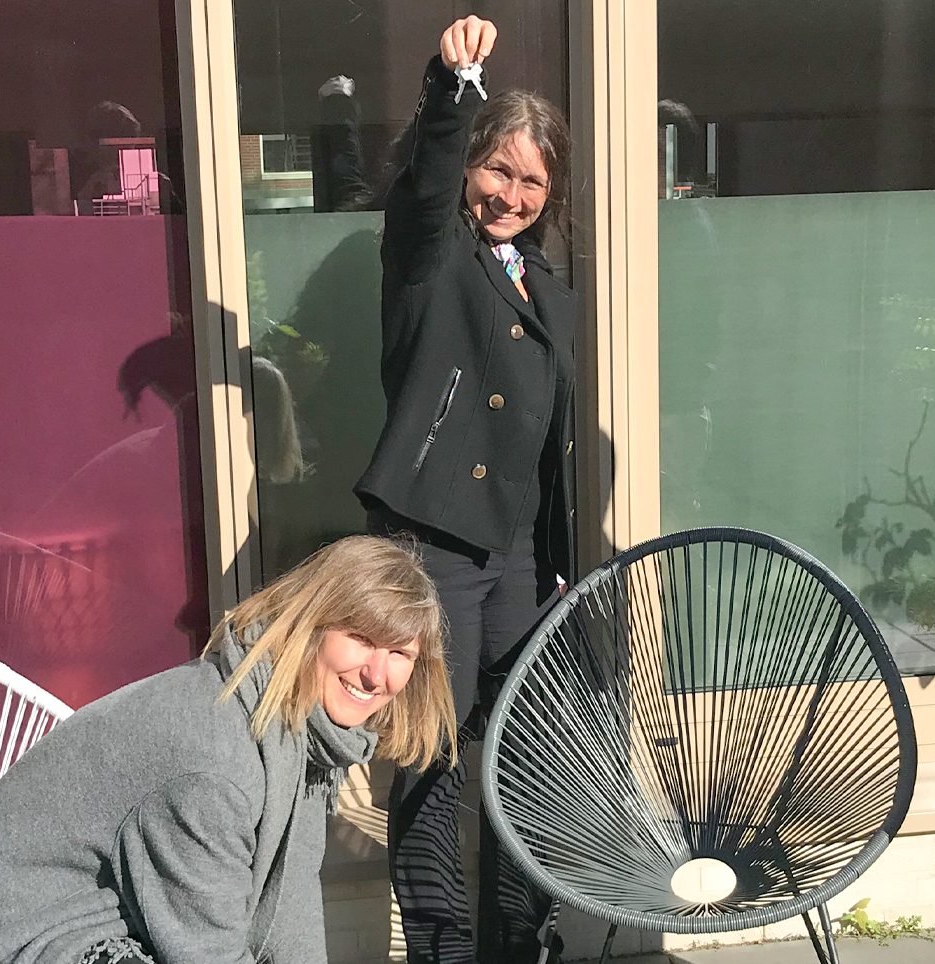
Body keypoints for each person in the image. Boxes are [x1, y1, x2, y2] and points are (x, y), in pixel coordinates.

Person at [0, 535, 455, 964]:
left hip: (76, 925)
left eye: (400, 654)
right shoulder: (216, 761)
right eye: (361, 638)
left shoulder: (296, 726)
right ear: (309, 625)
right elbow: (206, 953)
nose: (377, 673)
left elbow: (290, 908)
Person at [351, 14, 576, 964]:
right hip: (433, 543)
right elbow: (425, 186)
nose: (511, 195)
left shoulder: (544, 283)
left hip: (518, 554)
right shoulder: (430, 254)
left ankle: (517, 943)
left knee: (526, 754)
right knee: (434, 761)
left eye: (532, 181)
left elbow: (547, 443)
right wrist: (449, 91)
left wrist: (558, 560)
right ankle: (443, 951)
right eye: (498, 170)